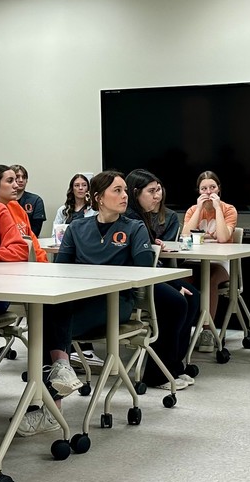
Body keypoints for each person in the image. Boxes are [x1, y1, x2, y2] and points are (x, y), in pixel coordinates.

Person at [21, 171, 161, 435]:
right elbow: (60, 270)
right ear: (98, 198)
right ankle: (61, 372)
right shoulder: (77, 227)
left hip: (115, 302)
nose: (123, 196)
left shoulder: (134, 227)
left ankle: (52, 408)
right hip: (80, 299)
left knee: (49, 325)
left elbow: (143, 271)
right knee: (44, 311)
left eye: (124, 191)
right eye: (116, 191)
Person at [125, 169, 198, 388]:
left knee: (193, 297)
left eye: (158, 190)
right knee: (176, 302)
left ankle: (174, 365)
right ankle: (157, 374)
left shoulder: (141, 217)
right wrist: (174, 284)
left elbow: (149, 260)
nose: (157, 196)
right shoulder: (131, 218)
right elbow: (143, 264)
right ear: (136, 193)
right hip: (136, 281)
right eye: (152, 191)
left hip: (149, 274)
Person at [182, 171, 237, 351]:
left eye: (212, 187)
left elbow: (222, 238)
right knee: (180, 282)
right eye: (203, 188)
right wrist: (199, 209)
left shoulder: (229, 210)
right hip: (194, 260)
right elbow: (185, 236)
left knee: (210, 280)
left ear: (219, 189)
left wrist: (218, 209)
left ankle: (207, 331)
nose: (208, 192)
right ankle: (182, 329)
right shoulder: (192, 210)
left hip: (220, 262)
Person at [0, 164, 48, 262]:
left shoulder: (16, 207)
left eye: (15, 181)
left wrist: (43, 266)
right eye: (10, 181)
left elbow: (34, 244)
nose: (16, 185)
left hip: (30, 268)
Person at [10, 164, 46, 236]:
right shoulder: (3, 200)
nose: (21, 180)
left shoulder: (36, 200)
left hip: (29, 241)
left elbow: (36, 229)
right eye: (17, 177)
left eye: (24, 177)